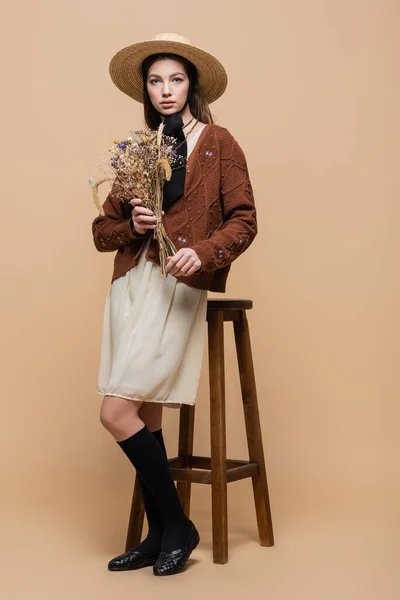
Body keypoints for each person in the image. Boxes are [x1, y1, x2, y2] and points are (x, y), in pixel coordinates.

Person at [92, 33, 258, 576]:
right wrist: (131, 224)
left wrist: (203, 252)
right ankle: (159, 532)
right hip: (132, 288)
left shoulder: (218, 141)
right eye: (156, 81)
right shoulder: (141, 149)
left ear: (192, 85)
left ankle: (178, 524)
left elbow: (245, 219)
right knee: (143, 411)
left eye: (176, 79)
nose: (166, 90)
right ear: (146, 88)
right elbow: (101, 231)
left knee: (116, 412)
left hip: (178, 289)